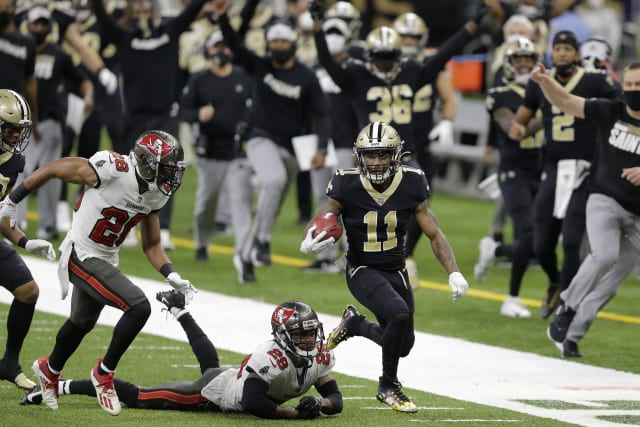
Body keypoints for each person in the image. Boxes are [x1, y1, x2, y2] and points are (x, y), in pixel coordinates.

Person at [0, 129, 196, 415]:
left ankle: (49, 369)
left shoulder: (156, 194)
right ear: (146, 162)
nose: (171, 178)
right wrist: (13, 200)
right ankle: (104, 373)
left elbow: (152, 244)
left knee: (81, 323)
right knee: (138, 306)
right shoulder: (113, 169)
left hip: (106, 258)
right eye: (166, 169)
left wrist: (171, 274)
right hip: (80, 253)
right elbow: (56, 168)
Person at [300, 121, 469, 413]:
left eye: (383, 155)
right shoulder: (346, 181)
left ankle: (355, 325)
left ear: (397, 154)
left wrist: (453, 271)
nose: (376, 162)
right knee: (399, 314)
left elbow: (434, 232)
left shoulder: (413, 181)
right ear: (359, 156)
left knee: (403, 345)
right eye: (370, 155)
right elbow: (329, 211)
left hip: (396, 269)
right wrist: (314, 232)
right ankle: (388, 385)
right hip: (362, 269)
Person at [22, 294, 344, 420]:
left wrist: (322, 405)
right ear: (282, 336)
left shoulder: (318, 354)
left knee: (212, 367)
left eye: (310, 332)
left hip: (231, 377)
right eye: (300, 333)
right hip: (215, 396)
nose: (308, 339)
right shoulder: (269, 356)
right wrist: (295, 414)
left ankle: (179, 310)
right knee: (140, 397)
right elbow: (253, 403)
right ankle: (62, 386)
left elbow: (335, 398)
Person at [212, 0, 331, 278]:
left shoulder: (306, 77)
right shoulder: (260, 65)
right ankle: (262, 243)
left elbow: (322, 114)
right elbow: (235, 43)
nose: (277, 45)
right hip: (259, 138)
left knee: (273, 200)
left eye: (282, 40)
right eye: (273, 41)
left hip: (291, 148)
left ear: (292, 44)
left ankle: (247, 255)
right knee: (273, 180)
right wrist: (223, 18)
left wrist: (322, 147)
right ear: (267, 44)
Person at [529, 61, 640, 358]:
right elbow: (566, 101)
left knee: (611, 284)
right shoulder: (610, 111)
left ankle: (571, 336)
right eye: (629, 85)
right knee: (604, 254)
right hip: (605, 199)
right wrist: (543, 81)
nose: (633, 91)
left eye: (638, 86)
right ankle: (567, 306)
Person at [508, 30, 618, 318]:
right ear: (551, 52)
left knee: (571, 241)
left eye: (568, 48)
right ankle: (556, 281)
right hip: (553, 168)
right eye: (559, 49)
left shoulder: (594, 80)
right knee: (540, 243)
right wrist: (518, 127)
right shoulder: (540, 79)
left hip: (585, 170)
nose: (563, 54)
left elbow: (620, 107)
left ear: (577, 53)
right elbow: (525, 115)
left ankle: (567, 303)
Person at [92, 0, 210, 250]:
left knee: (167, 173)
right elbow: (102, 17)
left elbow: (192, 10)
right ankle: (128, 226)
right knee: (128, 174)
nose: (143, 7)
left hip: (165, 114)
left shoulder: (170, 31)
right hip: (133, 115)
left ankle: (162, 229)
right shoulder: (124, 37)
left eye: (147, 3)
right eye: (138, 3)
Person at [476, 37, 543, 317]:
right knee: (528, 232)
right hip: (514, 170)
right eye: (520, 59)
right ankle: (512, 298)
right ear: (509, 63)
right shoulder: (500, 93)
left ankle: (496, 249)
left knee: (543, 241)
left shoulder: (546, 90)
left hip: (544, 168)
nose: (525, 64)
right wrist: (552, 112)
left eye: (529, 59)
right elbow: (514, 129)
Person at [391, 11, 458, 290]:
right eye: (404, 35)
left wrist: (446, 122)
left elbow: (448, 98)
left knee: (421, 201)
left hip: (422, 139)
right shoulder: (386, 63)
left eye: (413, 37)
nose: (407, 41)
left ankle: (406, 255)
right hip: (392, 140)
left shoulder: (429, 65)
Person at [17, 5, 94, 240]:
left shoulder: (59, 54)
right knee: (20, 171)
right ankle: (15, 222)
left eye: (43, 23)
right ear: (28, 25)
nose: (39, 27)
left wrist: (88, 97)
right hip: (24, 122)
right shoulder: (21, 49)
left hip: (50, 121)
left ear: (49, 27)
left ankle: (47, 226)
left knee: (50, 175)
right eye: (35, 23)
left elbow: (83, 80)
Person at [0, 88, 56, 391]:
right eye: (8, 128)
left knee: (27, 291)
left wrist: (24, 241)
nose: (13, 135)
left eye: (17, 130)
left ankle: (9, 363)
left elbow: (3, 215)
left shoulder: (13, 161)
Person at [180, 28, 251, 262]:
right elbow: (182, 111)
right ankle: (202, 244)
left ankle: (244, 252)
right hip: (209, 151)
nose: (222, 51)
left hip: (237, 151)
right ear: (208, 50)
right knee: (206, 205)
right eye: (217, 47)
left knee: (240, 203)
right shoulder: (200, 80)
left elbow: (255, 108)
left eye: (225, 46)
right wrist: (198, 114)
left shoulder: (242, 76)